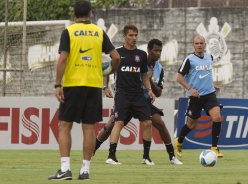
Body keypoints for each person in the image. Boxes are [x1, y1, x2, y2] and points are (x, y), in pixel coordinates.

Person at [48, 0, 120, 180]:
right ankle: (85, 170)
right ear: (90, 14)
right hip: (94, 85)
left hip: (73, 85)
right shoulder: (98, 32)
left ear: (74, 15)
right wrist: (110, 70)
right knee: (89, 128)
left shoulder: (69, 31)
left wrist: (58, 84)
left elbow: (63, 59)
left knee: (64, 125)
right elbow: (116, 57)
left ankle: (65, 169)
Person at [95, 39, 182, 165]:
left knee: (159, 123)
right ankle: (92, 150)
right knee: (110, 126)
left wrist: (150, 81)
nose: (157, 54)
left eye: (160, 51)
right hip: (127, 97)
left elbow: (158, 92)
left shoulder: (159, 69)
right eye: (155, 50)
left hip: (143, 101)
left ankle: (172, 157)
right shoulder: (138, 59)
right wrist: (106, 87)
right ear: (148, 51)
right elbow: (115, 71)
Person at [105, 24, 156, 165]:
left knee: (147, 122)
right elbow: (107, 71)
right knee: (118, 122)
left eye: (135, 35)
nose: (134, 38)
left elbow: (144, 75)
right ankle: (111, 156)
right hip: (122, 94)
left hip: (138, 94)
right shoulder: (116, 53)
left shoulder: (141, 55)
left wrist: (149, 90)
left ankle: (146, 157)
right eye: (131, 35)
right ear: (124, 36)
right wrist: (105, 87)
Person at [174, 35, 223, 159]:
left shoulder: (209, 57)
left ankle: (214, 148)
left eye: (201, 43)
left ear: (205, 44)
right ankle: (179, 141)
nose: (199, 45)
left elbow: (205, 74)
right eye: (197, 43)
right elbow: (179, 78)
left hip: (209, 95)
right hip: (195, 97)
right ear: (193, 45)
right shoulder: (189, 59)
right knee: (191, 124)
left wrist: (213, 85)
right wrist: (190, 89)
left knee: (216, 116)